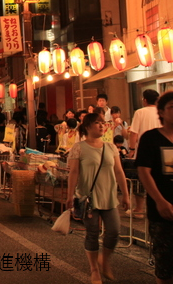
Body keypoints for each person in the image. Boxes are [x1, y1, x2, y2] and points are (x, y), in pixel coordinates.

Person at [66, 113, 130, 284]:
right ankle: (94, 269)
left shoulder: (111, 147)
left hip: (109, 197)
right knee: (92, 233)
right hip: (88, 198)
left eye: (103, 123)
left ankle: (104, 260)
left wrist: (125, 194)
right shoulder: (78, 148)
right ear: (87, 127)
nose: (101, 126)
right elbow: (73, 173)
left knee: (114, 231)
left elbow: (119, 172)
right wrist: (70, 196)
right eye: (97, 123)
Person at [137, 91, 173, 284]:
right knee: (165, 267)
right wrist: (160, 201)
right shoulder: (151, 138)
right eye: (172, 107)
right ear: (161, 111)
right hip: (162, 213)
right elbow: (143, 171)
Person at [128, 88, 161, 216]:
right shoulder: (161, 112)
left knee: (140, 180)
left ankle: (139, 208)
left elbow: (134, 133)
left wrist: (131, 149)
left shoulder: (140, 112)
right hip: (159, 152)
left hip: (143, 151)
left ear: (145, 100)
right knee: (157, 179)